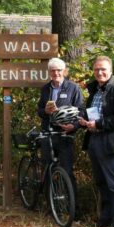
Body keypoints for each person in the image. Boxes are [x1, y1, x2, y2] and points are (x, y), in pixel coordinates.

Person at [79, 56, 114, 227]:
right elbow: (93, 113)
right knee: (102, 183)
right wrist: (83, 121)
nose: (100, 73)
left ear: (110, 71)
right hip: (93, 141)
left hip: (109, 142)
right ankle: (107, 218)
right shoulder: (95, 90)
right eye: (96, 70)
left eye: (103, 69)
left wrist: (99, 124)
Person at [37, 57, 84, 215]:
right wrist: (45, 112)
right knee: (48, 169)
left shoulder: (73, 88)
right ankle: (51, 207)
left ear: (64, 71)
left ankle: (73, 210)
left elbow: (81, 111)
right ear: (49, 72)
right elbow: (39, 110)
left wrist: (74, 126)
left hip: (65, 135)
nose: (56, 73)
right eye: (53, 70)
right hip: (48, 134)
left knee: (67, 171)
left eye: (58, 70)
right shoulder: (45, 89)